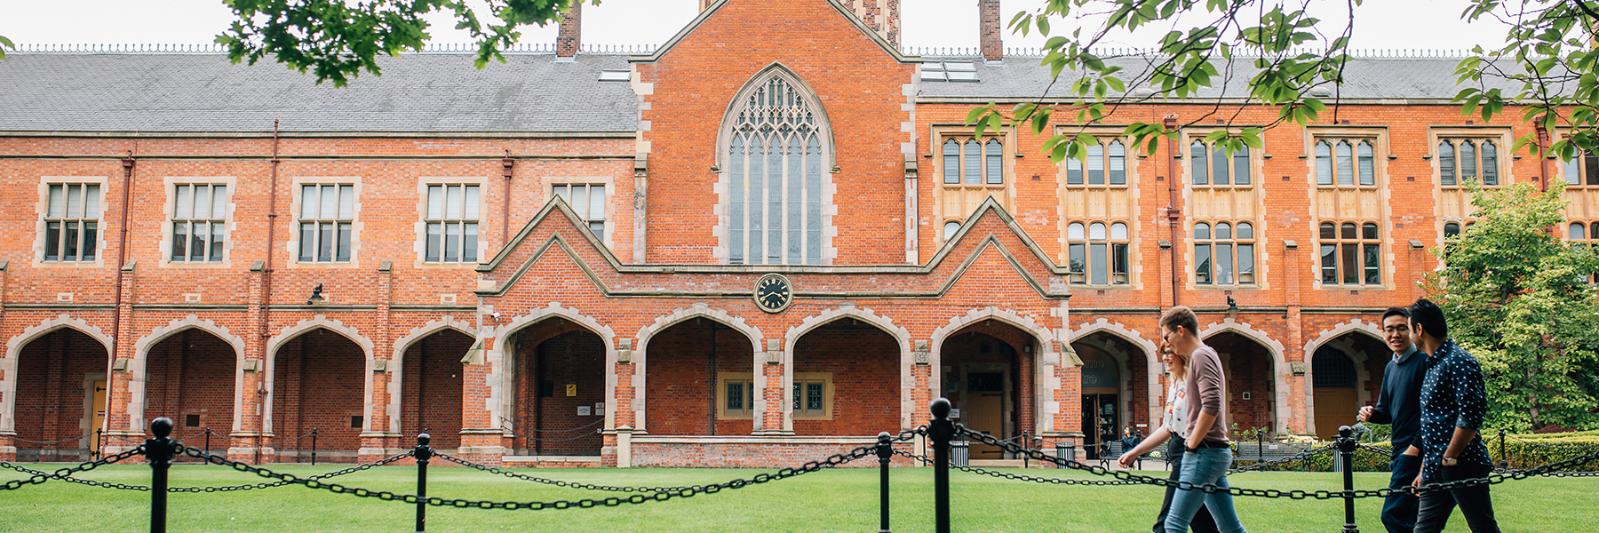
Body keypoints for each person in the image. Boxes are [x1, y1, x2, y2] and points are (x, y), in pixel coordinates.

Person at [1408, 298, 1500, 533]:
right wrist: (1424, 470)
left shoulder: (1458, 361)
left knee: (1483, 527)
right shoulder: (1433, 364)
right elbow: (1432, 422)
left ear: (1419, 329)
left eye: (1409, 329)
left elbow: (1471, 415)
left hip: (1462, 463)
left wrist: (1450, 457)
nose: (1410, 335)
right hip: (1436, 466)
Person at [1160, 307, 1247, 532]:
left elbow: (1212, 405)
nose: (1167, 344)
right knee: (1229, 526)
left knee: (1174, 524)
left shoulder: (1201, 355)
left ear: (1180, 330)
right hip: (1211, 452)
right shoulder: (1203, 355)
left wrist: (1191, 444)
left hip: (1204, 451)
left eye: (1167, 337)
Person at [1119, 341, 1218, 533]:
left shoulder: (1195, 382)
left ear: (1182, 354)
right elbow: (1167, 427)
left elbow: (1211, 410)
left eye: (1169, 352)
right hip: (1180, 454)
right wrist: (1135, 452)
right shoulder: (1174, 384)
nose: (1165, 357)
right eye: (1163, 353)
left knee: (1167, 522)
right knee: (1203, 521)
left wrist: (1191, 447)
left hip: (1190, 456)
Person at [1357, 307, 1427, 533]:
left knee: (1393, 515)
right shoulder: (1391, 367)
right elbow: (1385, 411)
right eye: (1389, 330)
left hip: (1416, 451)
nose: (1394, 335)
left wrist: (1416, 448)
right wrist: (1371, 414)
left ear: (1413, 330)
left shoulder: (1424, 363)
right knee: (1417, 519)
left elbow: (1432, 414)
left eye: (1401, 328)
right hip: (1400, 451)